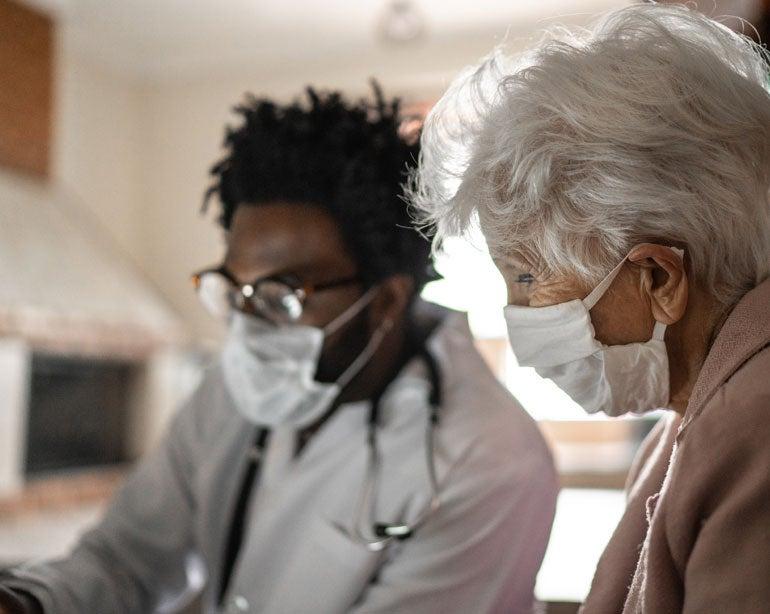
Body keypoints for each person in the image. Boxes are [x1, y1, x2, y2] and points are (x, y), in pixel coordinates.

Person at [0, 85, 557, 614]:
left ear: (386, 301)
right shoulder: (235, 385)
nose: (247, 325)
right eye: (234, 289)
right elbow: (127, 560)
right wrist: (30, 603)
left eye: (282, 295)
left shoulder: (488, 460)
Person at [410, 4, 770, 613]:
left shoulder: (754, 430)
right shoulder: (684, 424)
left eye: (527, 278)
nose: (517, 318)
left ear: (658, 277)